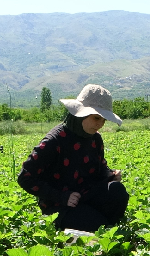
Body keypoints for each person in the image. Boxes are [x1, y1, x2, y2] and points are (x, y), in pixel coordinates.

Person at [17, 84, 129, 233]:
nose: (100, 124)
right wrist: (61, 197)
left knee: (117, 191)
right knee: (100, 226)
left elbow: (100, 167)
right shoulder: (54, 140)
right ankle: (94, 227)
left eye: (104, 120)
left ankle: (97, 226)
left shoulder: (95, 139)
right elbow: (25, 177)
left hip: (87, 195)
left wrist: (109, 174)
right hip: (60, 205)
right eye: (96, 118)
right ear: (80, 113)